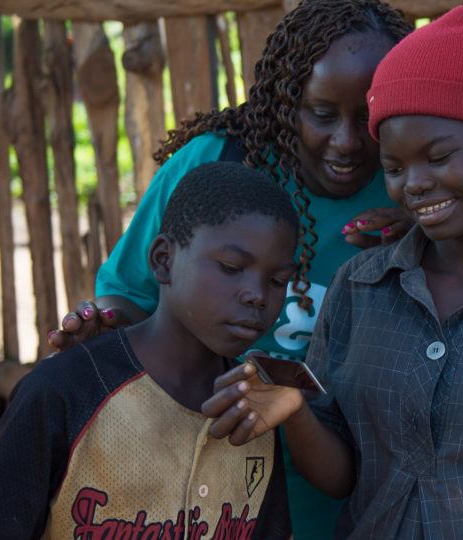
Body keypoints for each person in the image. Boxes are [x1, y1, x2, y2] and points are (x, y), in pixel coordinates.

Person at [202, 6, 463, 539]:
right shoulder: (360, 289)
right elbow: (342, 479)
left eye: (437, 157)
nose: (414, 184)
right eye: (393, 167)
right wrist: (294, 413)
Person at [46, 2, 413, 537]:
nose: (347, 142)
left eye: (369, 118)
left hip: (340, 503)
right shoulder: (218, 164)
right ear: (288, 100)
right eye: (322, 113)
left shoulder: (411, 191)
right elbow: (130, 296)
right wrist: (103, 324)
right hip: (198, 498)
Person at [0, 162, 298, 539]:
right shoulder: (66, 391)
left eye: (278, 280)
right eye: (231, 267)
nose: (257, 295)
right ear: (163, 260)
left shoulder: (253, 412)